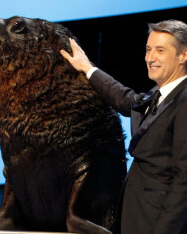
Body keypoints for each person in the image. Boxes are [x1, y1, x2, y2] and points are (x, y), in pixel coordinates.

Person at [60, 19, 187, 234]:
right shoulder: (157, 95)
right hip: (136, 216)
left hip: (159, 223)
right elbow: (125, 99)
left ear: (183, 55)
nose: (150, 58)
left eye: (160, 51)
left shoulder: (184, 101)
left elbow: (184, 181)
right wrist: (88, 68)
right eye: (148, 50)